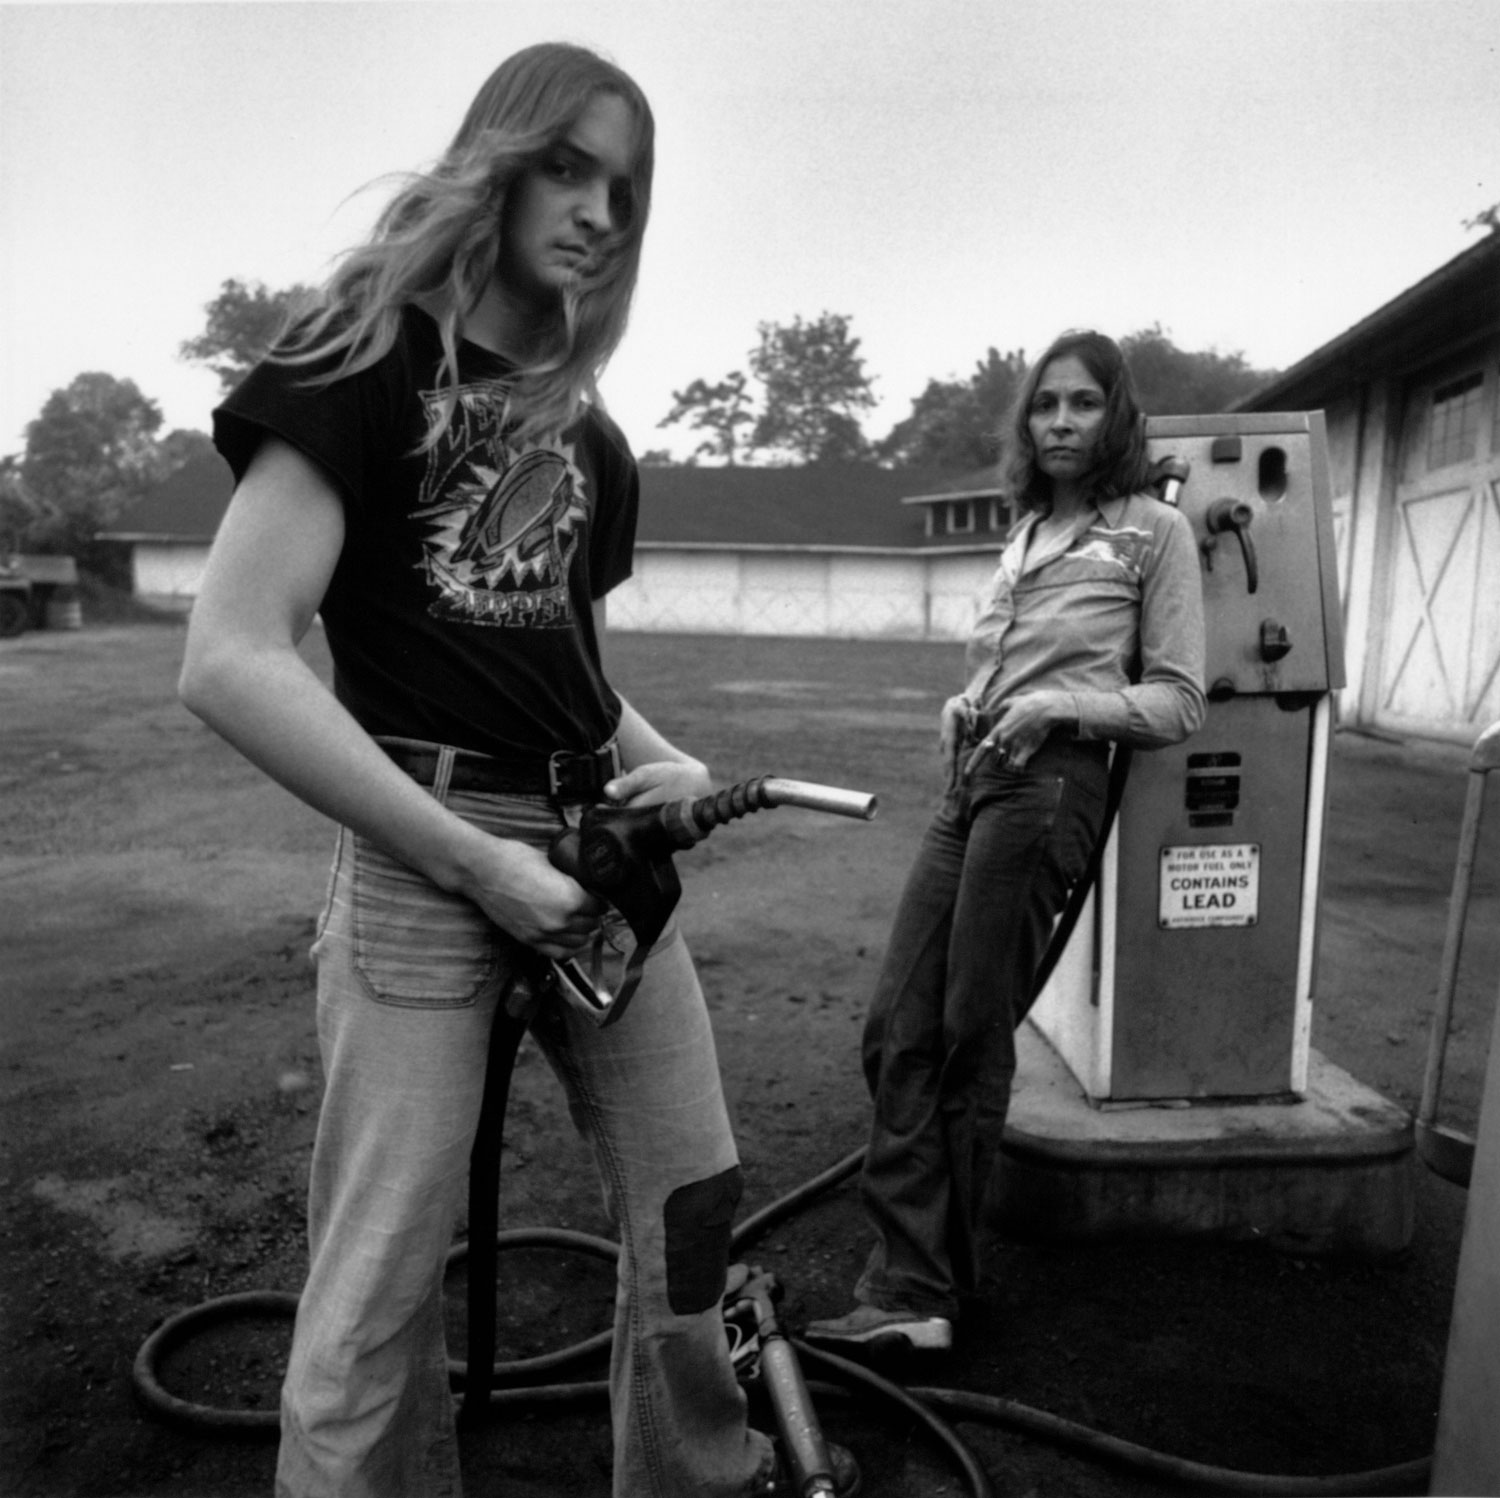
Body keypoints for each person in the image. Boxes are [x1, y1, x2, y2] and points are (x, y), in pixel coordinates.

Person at [179, 42, 858, 1498]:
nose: (601, 209)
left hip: (592, 845)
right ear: (495, 161)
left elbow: (575, 677)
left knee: (690, 1203)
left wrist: (668, 765)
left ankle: (693, 1473)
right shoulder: (350, 368)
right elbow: (229, 656)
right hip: (431, 855)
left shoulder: (589, 438)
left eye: (625, 185)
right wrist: (474, 857)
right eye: (568, 165)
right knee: (378, 1278)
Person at [805, 330, 1207, 1356]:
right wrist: (968, 697)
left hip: (1051, 784)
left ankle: (923, 1288)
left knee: (965, 1034)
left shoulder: (1153, 531)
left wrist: (1055, 709)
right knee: (897, 1024)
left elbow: (1179, 700)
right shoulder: (1025, 530)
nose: (1062, 422)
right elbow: (1006, 661)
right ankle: (916, 1279)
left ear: (1117, 417)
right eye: (1046, 405)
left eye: (1083, 404)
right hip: (976, 777)